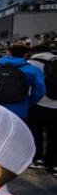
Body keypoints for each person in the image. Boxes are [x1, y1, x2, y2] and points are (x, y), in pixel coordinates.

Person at [0, 44, 45, 120]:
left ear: (8, 53)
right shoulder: (34, 69)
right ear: (25, 54)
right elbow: (40, 91)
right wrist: (28, 103)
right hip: (20, 110)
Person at [27, 44, 57, 174]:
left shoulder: (31, 63)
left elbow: (30, 86)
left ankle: (38, 159)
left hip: (38, 104)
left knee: (36, 133)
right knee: (54, 136)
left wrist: (32, 100)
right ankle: (53, 163)